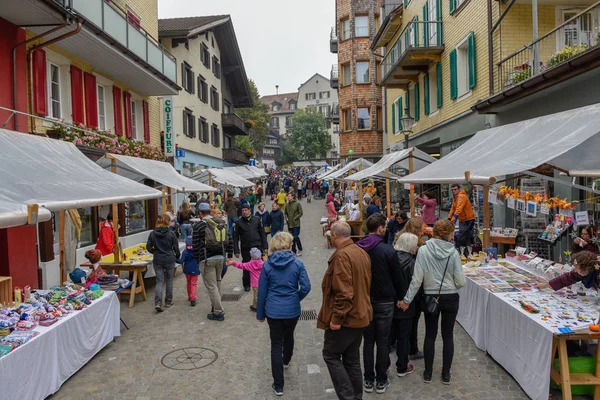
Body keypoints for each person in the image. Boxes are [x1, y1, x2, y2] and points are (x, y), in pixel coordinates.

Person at [399, 220, 465, 384]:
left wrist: (407, 299)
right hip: (450, 297)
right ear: (448, 235)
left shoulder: (423, 250)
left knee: (430, 334)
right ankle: (446, 374)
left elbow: (417, 280)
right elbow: (460, 282)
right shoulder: (453, 253)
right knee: (448, 335)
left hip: (430, 297)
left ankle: (428, 373)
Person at [318, 221, 372, 400]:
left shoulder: (342, 256)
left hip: (348, 318)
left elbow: (344, 292)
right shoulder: (360, 251)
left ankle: (348, 397)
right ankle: (356, 396)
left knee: (331, 354)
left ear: (334, 235)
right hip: (361, 315)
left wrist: (336, 319)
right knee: (352, 359)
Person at [257, 232, 311, 396]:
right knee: (289, 334)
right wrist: (296, 297)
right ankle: (286, 359)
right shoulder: (297, 263)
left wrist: (260, 313)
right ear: (289, 245)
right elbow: (306, 287)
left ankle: (278, 385)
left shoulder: (267, 265)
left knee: (275, 344)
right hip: (292, 310)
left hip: (273, 310)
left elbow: (262, 292)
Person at [356, 213, 403, 394]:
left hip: (365, 300)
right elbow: (397, 278)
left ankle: (368, 379)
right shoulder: (388, 251)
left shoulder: (359, 248)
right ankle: (381, 380)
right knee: (382, 342)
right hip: (384, 301)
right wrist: (401, 297)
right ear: (381, 228)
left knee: (368, 341)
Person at [192, 203, 233, 321]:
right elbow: (229, 239)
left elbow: (195, 246)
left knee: (211, 286)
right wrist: (229, 255)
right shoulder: (220, 223)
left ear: (200, 213)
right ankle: (215, 307)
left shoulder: (198, 226)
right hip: (221, 257)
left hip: (206, 259)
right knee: (218, 282)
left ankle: (218, 311)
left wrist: (198, 260)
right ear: (210, 212)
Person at [392, 233, 420, 378]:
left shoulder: (391, 257)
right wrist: (405, 301)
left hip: (391, 302)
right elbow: (414, 284)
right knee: (404, 336)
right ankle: (402, 366)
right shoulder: (411, 262)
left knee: (390, 335)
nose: (417, 248)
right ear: (410, 247)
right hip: (405, 305)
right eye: (415, 245)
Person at [147, 214, 181, 312]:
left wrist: (155, 252)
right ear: (167, 222)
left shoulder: (153, 234)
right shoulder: (171, 233)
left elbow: (148, 247)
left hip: (158, 259)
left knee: (159, 281)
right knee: (169, 280)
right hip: (169, 258)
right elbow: (176, 247)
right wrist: (177, 256)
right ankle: (168, 301)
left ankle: (158, 302)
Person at [234, 204, 269, 292]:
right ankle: (246, 284)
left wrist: (265, 246)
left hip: (257, 246)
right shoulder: (239, 222)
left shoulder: (256, 219)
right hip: (246, 248)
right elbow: (235, 238)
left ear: (249, 210)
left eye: (246, 210)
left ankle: (260, 282)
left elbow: (262, 234)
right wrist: (236, 250)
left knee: (259, 265)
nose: (244, 212)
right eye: (243, 210)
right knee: (246, 265)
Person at [448, 184, 475, 256]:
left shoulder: (461, 197)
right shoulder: (455, 198)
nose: (453, 191)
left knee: (462, 237)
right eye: (452, 190)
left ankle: (463, 254)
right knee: (466, 237)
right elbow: (453, 209)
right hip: (463, 220)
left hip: (468, 219)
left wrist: (452, 220)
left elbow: (458, 209)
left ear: (459, 189)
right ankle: (468, 254)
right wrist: (449, 218)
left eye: (455, 189)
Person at [176, 235, 200, 306]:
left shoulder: (185, 252)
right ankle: (193, 298)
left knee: (188, 283)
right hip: (195, 269)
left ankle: (190, 296)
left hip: (187, 270)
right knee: (194, 284)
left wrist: (174, 259)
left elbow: (181, 261)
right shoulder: (197, 251)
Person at [284, 192, 303, 256]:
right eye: (288, 196)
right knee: (292, 238)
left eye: (289, 196)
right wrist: (286, 218)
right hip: (289, 223)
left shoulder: (297, 204)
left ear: (292, 197)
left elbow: (301, 212)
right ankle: (293, 250)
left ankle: (300, 249)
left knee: (296, 236)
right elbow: (285, 213)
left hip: (296, 223)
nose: (288, 197)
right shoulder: (287, 205)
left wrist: (295, 218)